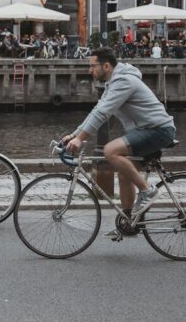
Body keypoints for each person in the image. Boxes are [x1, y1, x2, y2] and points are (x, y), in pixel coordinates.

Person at [63, 48, 176, 239]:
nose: (90, 70)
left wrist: (80, 139)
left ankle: (148, 191)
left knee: (110, 151)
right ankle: (129, 222)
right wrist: (74, 134)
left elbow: (102, 114)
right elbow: (97, 110)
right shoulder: (112, 84)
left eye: (92, 66)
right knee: (124, 173)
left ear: (106, 66)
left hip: (158, 130)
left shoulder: (123, 81)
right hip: (146, 130)